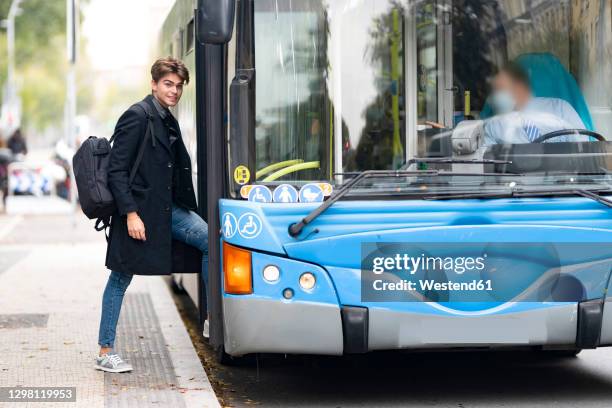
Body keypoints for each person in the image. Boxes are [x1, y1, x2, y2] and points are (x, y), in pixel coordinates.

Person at [95, 57, 209, 373]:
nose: (174, 91)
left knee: (213, 242)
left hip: (169, 211)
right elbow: (117, 170)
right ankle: (105, 351)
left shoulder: (165, 117)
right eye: (168, 84)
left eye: (179, 85)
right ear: (154, 84)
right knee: (120, 277)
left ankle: (212, 319)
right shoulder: (137, 116)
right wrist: (131, 214)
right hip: (139, 213)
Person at [483, 63, 587, 145]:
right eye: (494, 91)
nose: (495, 96)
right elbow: (488, 163)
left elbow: (583, 148)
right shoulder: (493, 127)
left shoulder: (560, 108)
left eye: (500, 89)